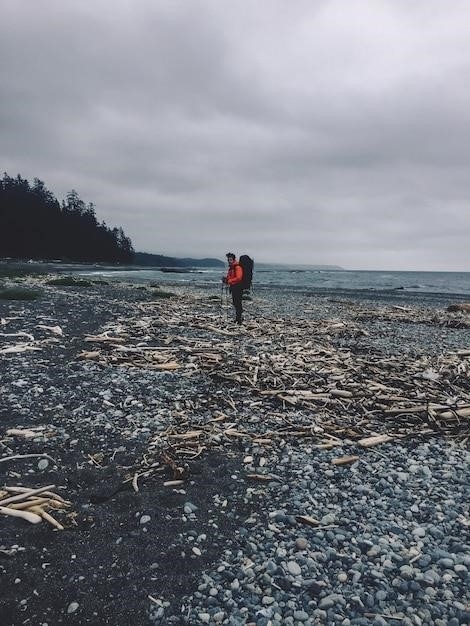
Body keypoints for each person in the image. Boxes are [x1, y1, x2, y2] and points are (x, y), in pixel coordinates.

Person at [223, 252, 244, 324]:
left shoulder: (237, 267)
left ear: (234, 259)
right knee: (236, 302)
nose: (229, 261)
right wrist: (226, 279)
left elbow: (239, 278)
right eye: (228, 260)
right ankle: (238, 318)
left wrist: (229, 281)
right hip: (233, 287)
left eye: (230, 259)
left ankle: (239, 318)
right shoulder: (231, 268)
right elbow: (230, 277)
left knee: (237, 302)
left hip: (238, 287)